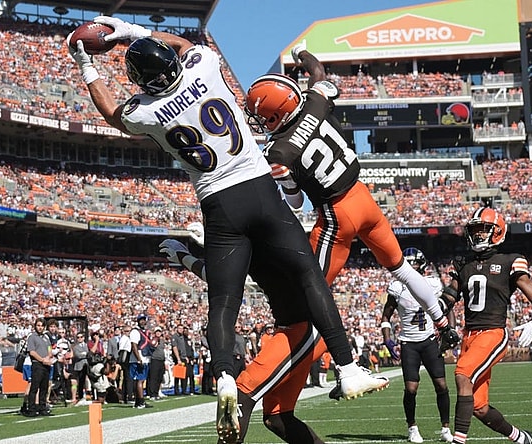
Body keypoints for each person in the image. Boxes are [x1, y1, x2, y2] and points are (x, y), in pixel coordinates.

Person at [68, 16, 385, 442]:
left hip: (219, 207)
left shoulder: (145, 112)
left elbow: (111, 112)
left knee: (223, 302)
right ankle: (347, 369)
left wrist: (87, 66)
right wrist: (132, 31)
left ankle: (223, 377)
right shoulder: (204, 65)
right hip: (259, 190)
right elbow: (182, 44)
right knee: (310, 276)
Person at [245, 44, 458, 396]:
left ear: (273, 115)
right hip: (364, 198)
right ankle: (443, 324)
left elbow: (296, 202)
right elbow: (319, 74)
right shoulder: (314, 103)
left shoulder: (279, 152)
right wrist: (303, 53)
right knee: (402, 269)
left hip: (336, 216)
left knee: (309, 295)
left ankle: (335, 369)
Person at [161, 238, 339, 444]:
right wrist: (190, 255)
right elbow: (220, 276)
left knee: (240, 396)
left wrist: (199, 249)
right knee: (277, 417)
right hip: (300, 329)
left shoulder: (267, 240)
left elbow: (222, 274)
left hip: (304, 329)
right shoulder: (263, 242)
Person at [443, 207, 532, 444]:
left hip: (493, 333)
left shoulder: (510, 261)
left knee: (462, 376)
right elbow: (450, 297)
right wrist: (436, 311)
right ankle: (520, 437)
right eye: (475, 230)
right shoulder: (463, 263)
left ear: (497, 232)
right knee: (478, 406)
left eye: (483, 230)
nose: (478, 235)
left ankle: (459, 440)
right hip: (469, 336)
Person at [381, 248, 454, 443]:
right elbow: (386, 315)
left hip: (430, 340)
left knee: (442, 385)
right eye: (409, 263)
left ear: (421, 263)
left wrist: (450, 330)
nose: (412, 267)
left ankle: (446, 427)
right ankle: (412, 427)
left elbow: (447, 309)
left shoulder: (432, 283)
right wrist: (387, 338)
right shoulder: (397, 288)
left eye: (415, 263)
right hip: (409, 343)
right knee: (411, 388)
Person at [24, 318, 53, 417]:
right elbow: (32, 352)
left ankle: (42, 407)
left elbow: (50, 348)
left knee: (44, 388)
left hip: (46, 364)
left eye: (41, 326)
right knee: (34, 387)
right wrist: (42, 360)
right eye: (38, 325)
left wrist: (48, 357)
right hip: (37, 364)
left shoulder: (46, 337)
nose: (40, 327)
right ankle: (31, 408)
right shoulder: (32, 337)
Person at [128, 315, 153, 408]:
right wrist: (139, 359)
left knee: (141, 380)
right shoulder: (135, 331)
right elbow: (134, 345)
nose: (143, 322)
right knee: (140, 379)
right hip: (139, 358)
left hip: (145, 358)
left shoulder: (144, 332)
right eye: (141, 320)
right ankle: (141, 401)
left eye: (144, 320)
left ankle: (138, 401)